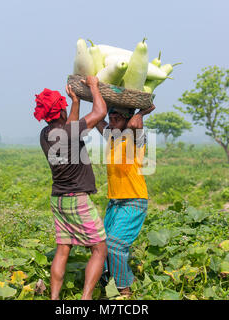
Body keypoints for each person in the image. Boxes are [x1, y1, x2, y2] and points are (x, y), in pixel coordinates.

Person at [35, 76, 108, 300]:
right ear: (62, 112)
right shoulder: (69, 133)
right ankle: (85, 300)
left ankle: (55, 298)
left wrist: (75, 102)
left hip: (58, 199)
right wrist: (94, 86)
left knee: (63, 248)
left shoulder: (46, 135)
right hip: (77, 199)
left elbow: (70, 128)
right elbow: (100, 113)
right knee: (99, 249)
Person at [95, 104, 155, 297]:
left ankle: (124, 291)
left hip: (133, 200)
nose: (111, 124)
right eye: (110, 119)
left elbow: (136, 124)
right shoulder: (111, 136)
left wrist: (142, 112)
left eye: (116, 120)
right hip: (115, 203)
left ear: (126, 120)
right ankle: (109, 283)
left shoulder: (136, 138)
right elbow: (97, 119)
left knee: (115, 245)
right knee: (101, 244)